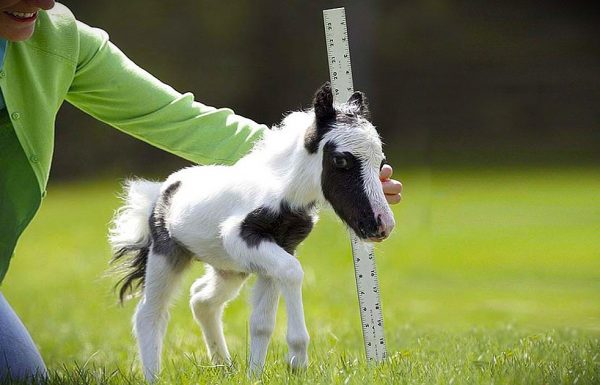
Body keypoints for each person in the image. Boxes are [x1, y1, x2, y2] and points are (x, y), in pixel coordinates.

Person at [0, 0, 403, 381]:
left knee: (23, 375)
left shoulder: (61, 39)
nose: (44, 3)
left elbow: (179, 118)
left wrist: (314, 165)